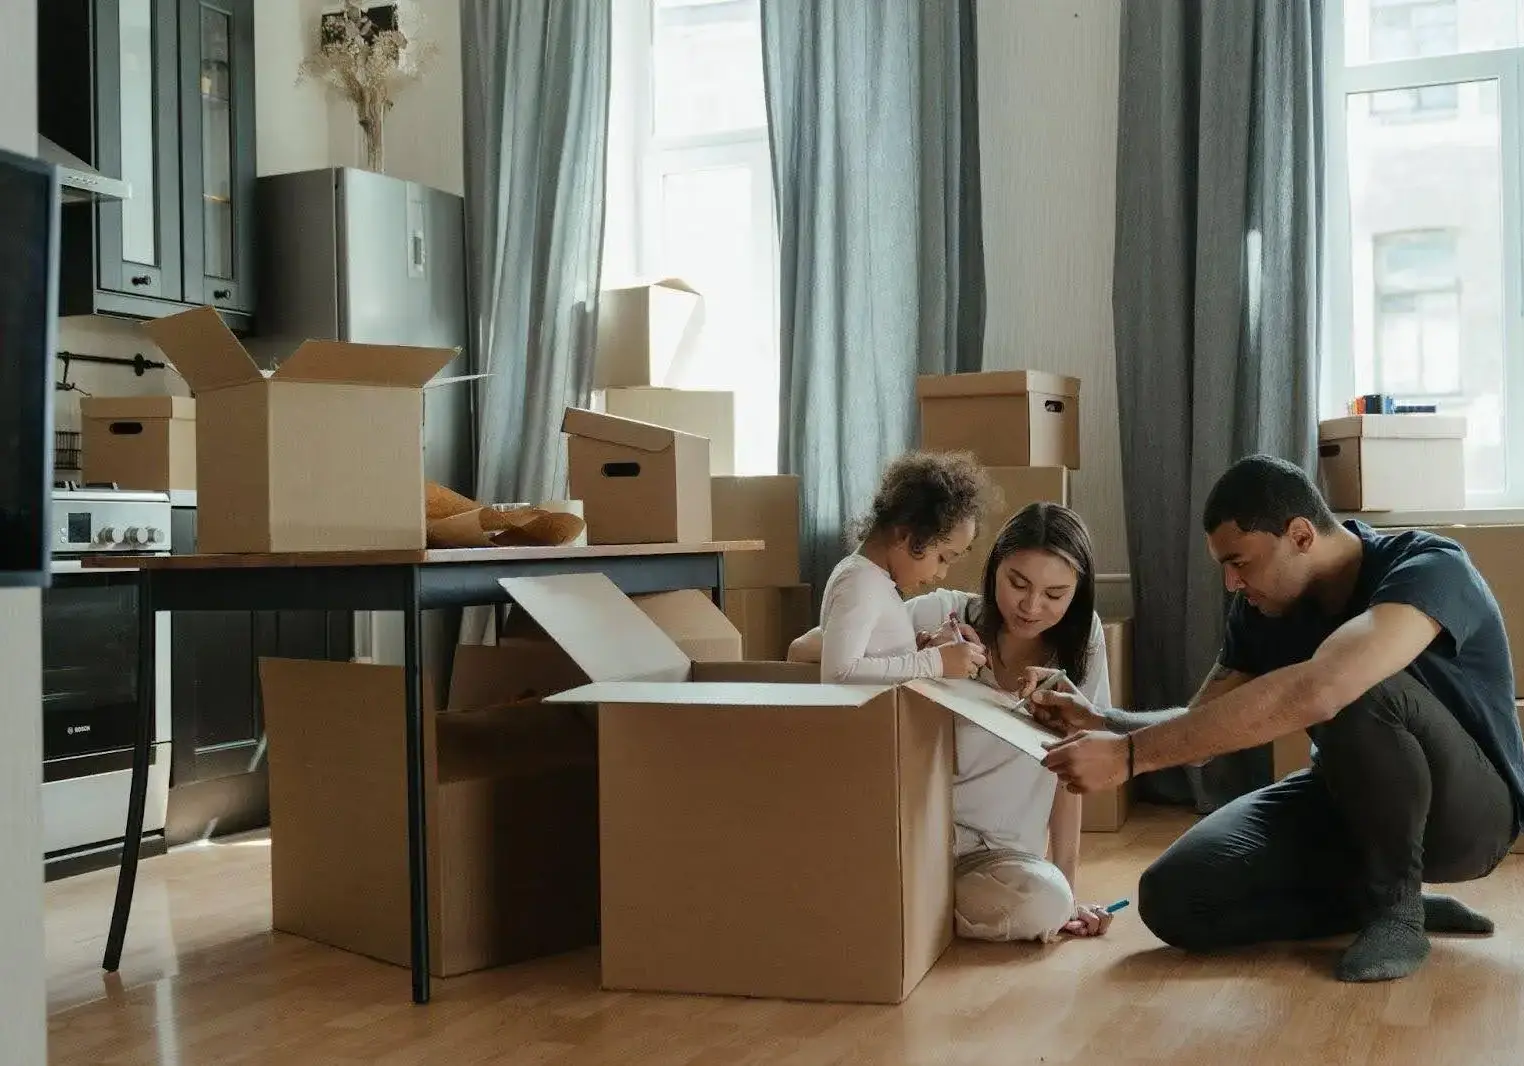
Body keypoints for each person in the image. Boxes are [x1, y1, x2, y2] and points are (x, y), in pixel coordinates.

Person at [1036, 454, 1523, 982]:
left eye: (1240, 562)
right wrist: (1104, 722)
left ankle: (1396, 912)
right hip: (1347, 799)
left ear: (1301, 535)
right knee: (1173, 897)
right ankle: (1370, 902)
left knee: (1356, 683)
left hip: (1471, 818)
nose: (1230, 583)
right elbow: (1202, 729)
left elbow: (1326, 687)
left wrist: (1129, 759)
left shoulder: (1429, 566)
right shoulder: (1261, 610)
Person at [795, 500, 1116, 942]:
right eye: (1017, 583)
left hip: (999, 858)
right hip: (918, 836)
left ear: (1077, 594)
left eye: (1055, 595)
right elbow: (804, 649)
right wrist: (924, 653)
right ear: (994, 569)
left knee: (1047, 903)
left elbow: (1072, 771)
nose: (1031, 606)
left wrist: (1068, 889)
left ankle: (902, 909)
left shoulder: (1084, 643)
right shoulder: (943, 612)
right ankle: (906, 907)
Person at [815, 450, 990, 684]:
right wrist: (935, 662)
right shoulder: (860, 581)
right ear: (904, 535)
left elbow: (874, 661)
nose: (941, 574)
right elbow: (838, 674)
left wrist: (917, 651)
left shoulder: (875, 581)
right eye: (942, 558)